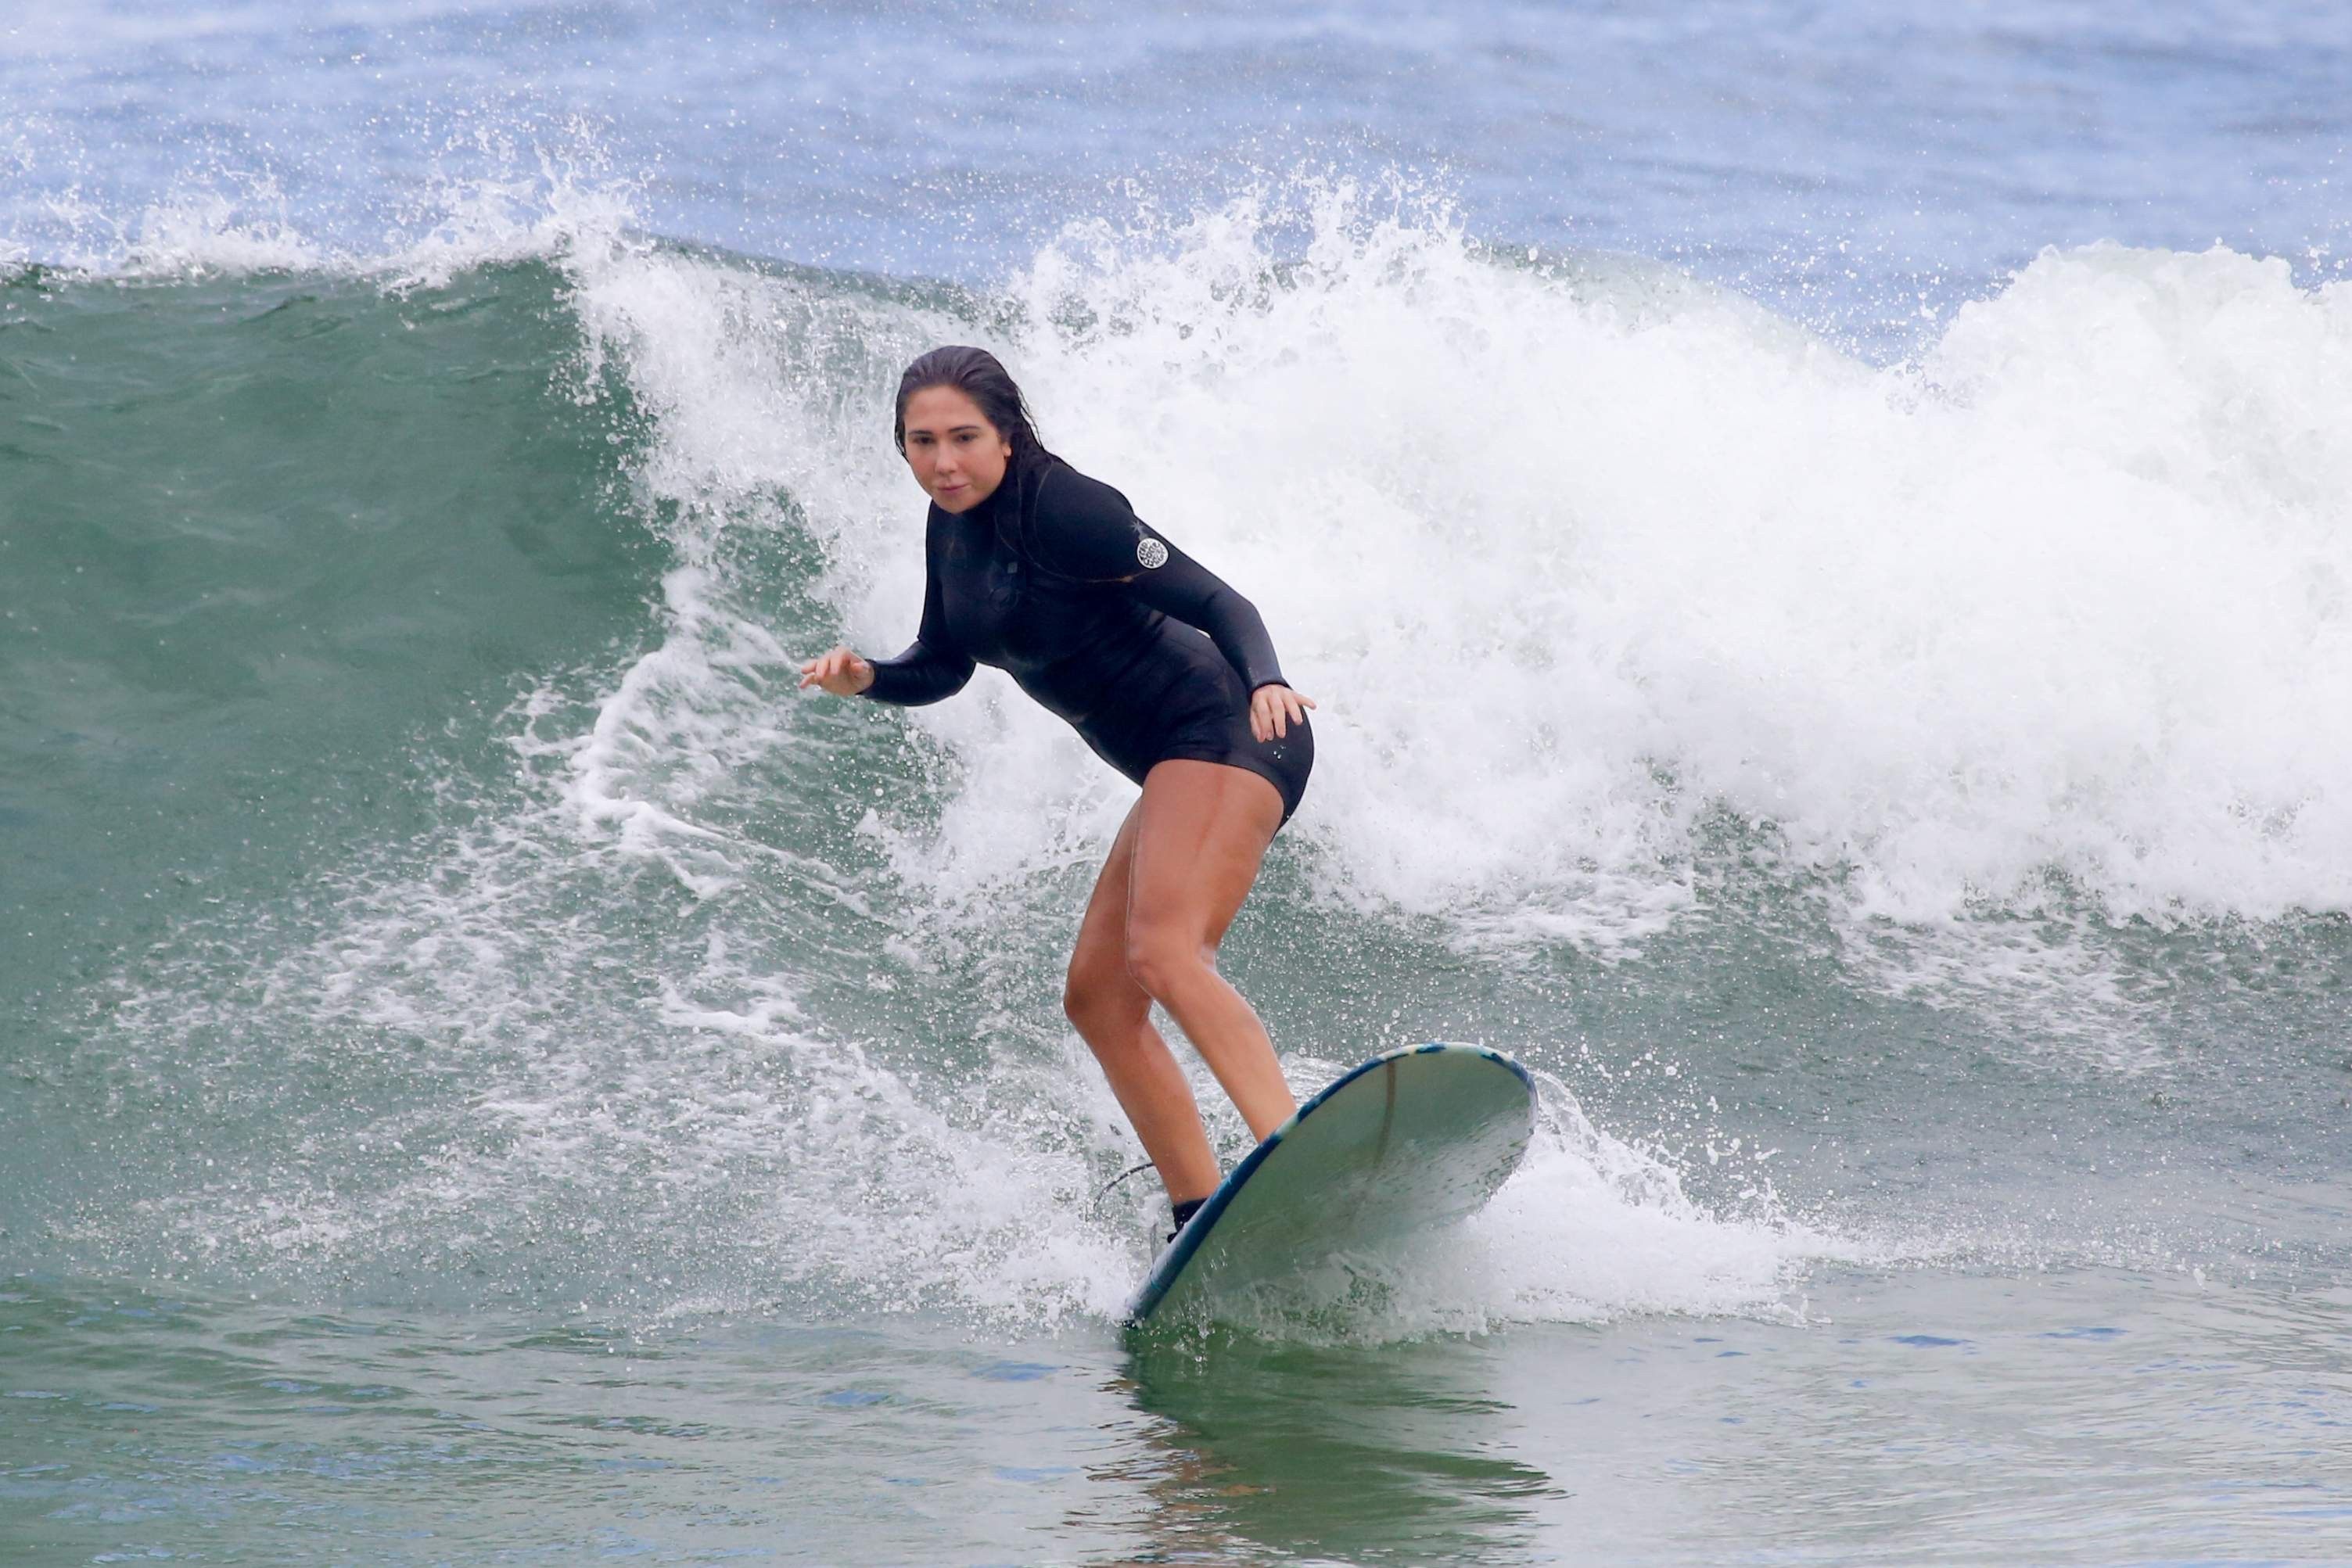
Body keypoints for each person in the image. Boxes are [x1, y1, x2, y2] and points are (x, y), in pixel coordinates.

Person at [799, 346, 1316, 1242]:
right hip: (1170, 759)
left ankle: (1296, 1153)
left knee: (1162, 951)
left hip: (1230, 725)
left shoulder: (1069, 509)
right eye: (921, 442)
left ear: (1008, 434)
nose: (942, 461)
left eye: (963, 437)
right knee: (1099, 1000)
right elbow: (943, 664)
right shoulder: (950, 527)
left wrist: (1268, 678)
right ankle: (1198, 1211)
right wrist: (869, 679)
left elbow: (1216, 598)